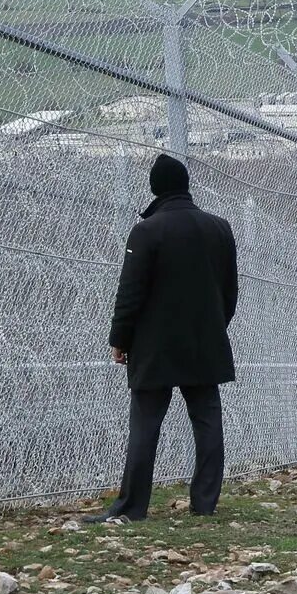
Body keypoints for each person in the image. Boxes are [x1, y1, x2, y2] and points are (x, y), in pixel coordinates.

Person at [89, 154, 238, 522]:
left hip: (154, 347)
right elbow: (230, 291)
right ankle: (204, 504)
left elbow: (130, 293)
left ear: (155, 188)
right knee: (207, 421)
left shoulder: (147, 231)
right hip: (205, 341)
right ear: (186, 185)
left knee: (145, 424)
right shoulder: (220, 228)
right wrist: (215, 326)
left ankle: (131, 507)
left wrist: (120, 338)